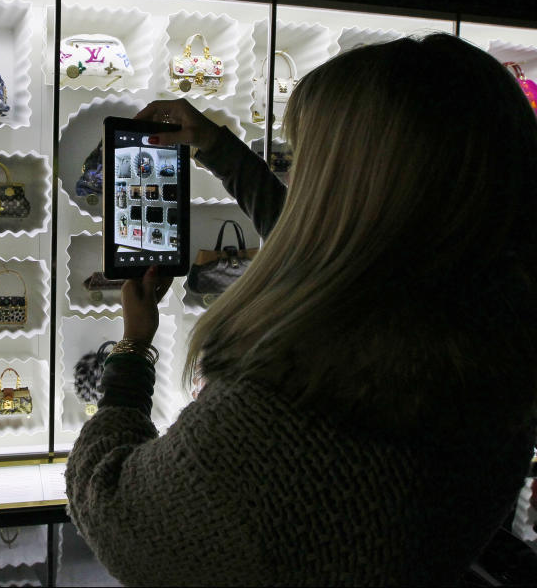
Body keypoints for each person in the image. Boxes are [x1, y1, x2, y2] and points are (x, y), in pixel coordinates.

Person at [65, 33, 537, 586]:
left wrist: (132, 349)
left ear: (354, 188)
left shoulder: (290, 418)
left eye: (317, 168)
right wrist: (217, 147)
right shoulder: (496, 338)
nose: (304, 181)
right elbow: (330, 246)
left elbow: (112, 504)